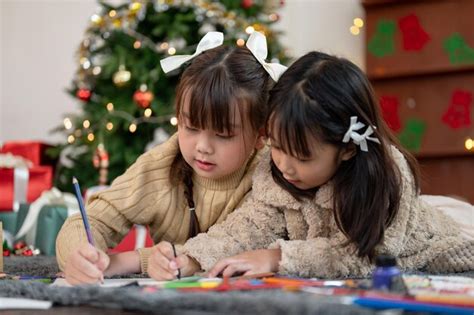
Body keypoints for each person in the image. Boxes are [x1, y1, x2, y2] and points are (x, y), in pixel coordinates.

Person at [149, 51, 474, 280]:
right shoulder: (274, 171)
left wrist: (278, 258)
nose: (284, 165)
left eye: (302, 157)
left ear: (346, 149)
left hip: (444, 239)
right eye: (277, 146)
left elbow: (364, 256)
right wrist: (190, 258)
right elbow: (246, 227)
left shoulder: (384, 174)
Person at [55, 31, 287, 284]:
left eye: (223, 134)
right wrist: (81, 255)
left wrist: (136, 259)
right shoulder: (161, 167)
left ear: (261, 134)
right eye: (191, 127)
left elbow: (246, 243)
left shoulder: (275, 171)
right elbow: (91, 221)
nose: (203, 147)